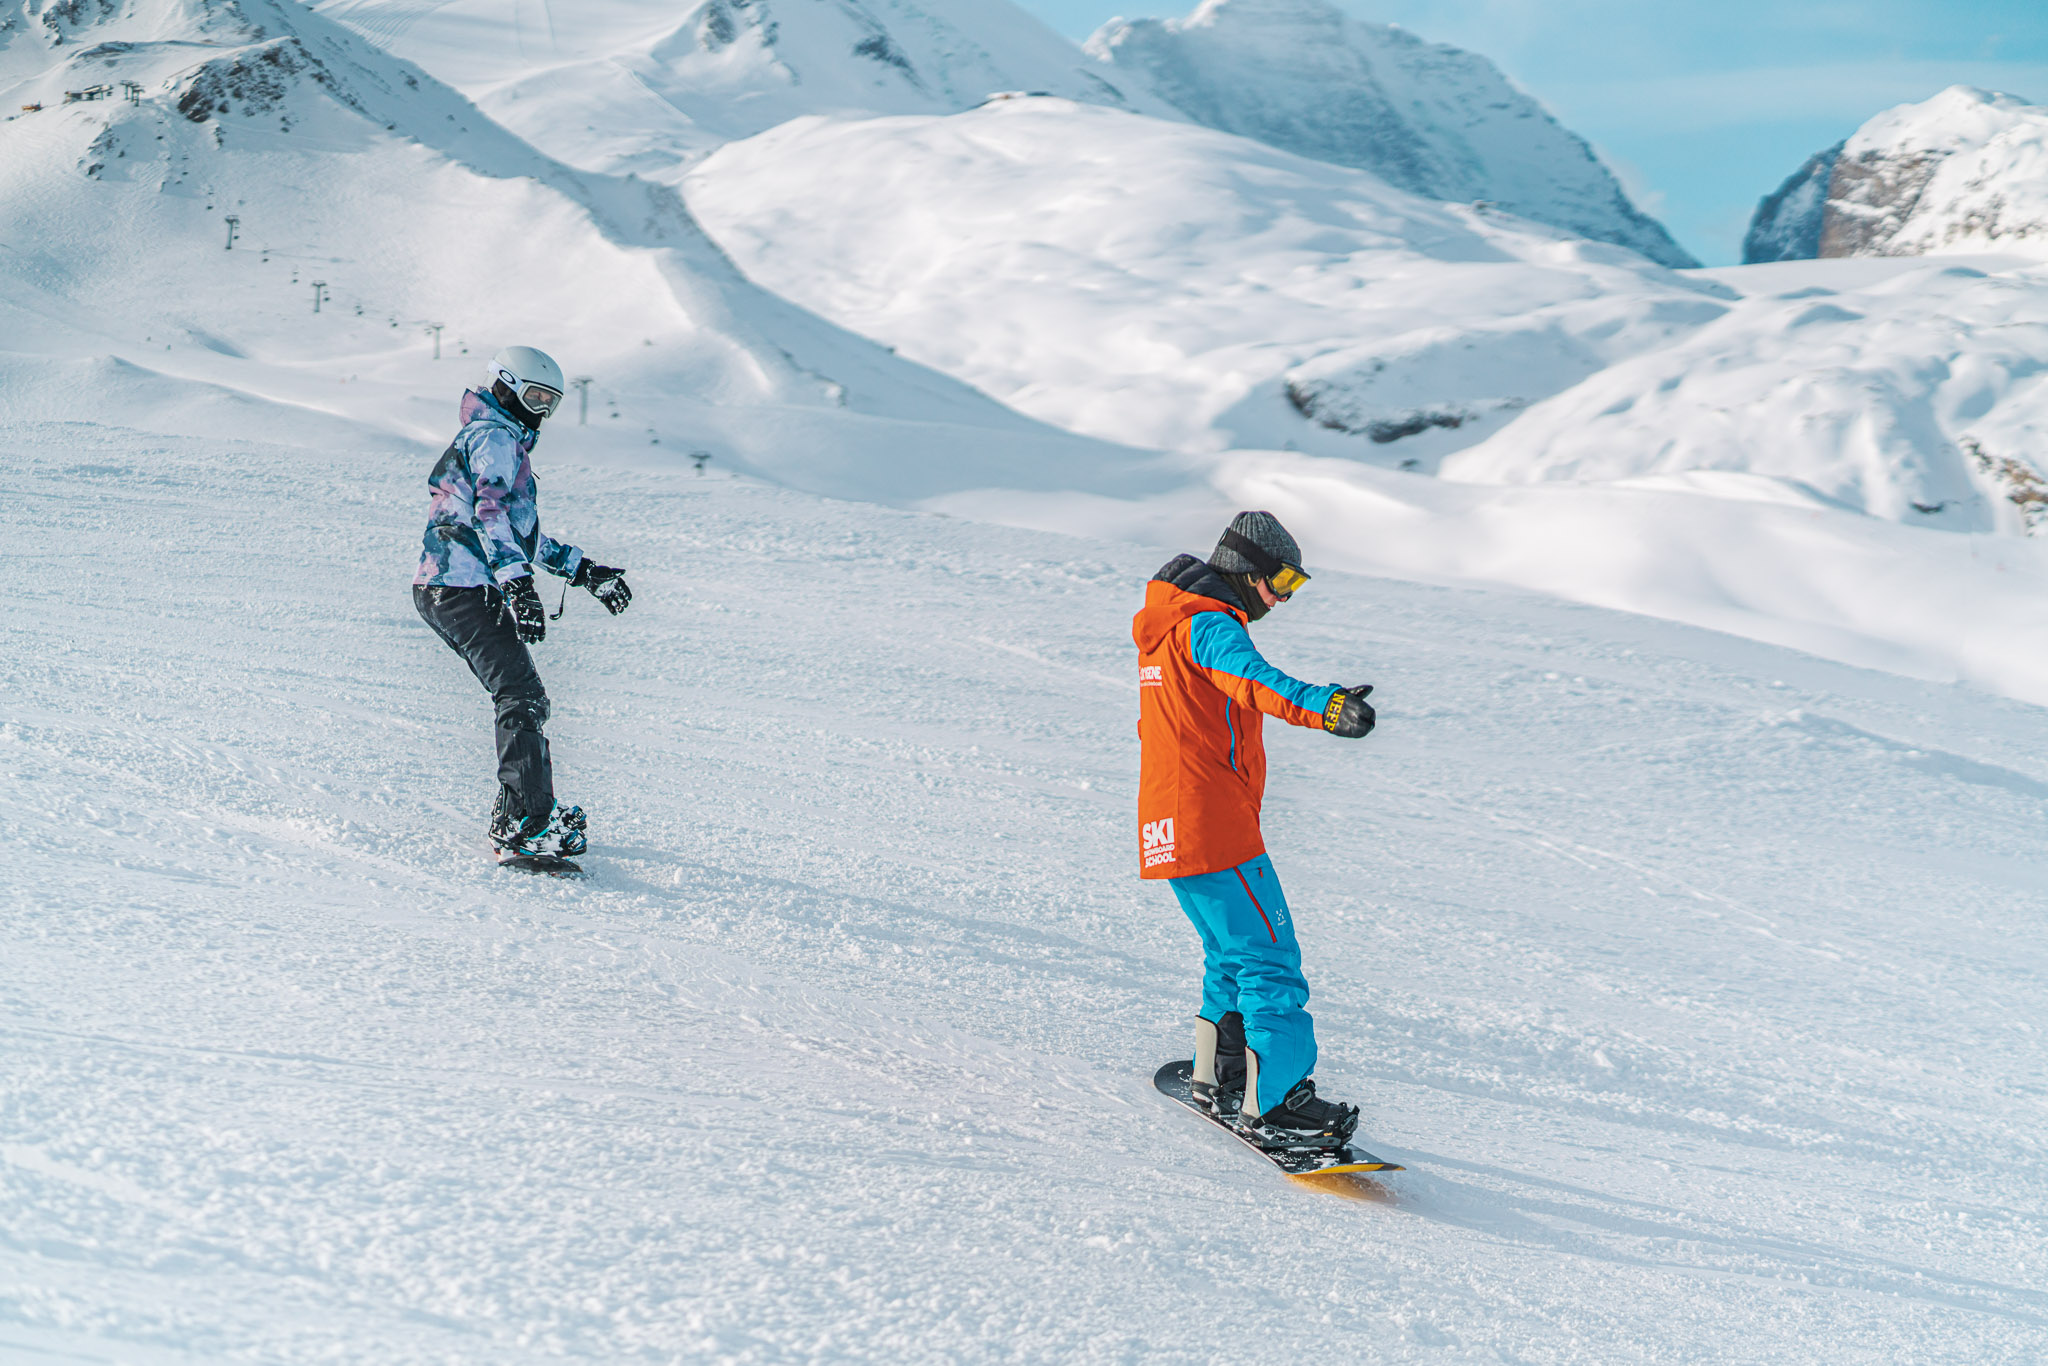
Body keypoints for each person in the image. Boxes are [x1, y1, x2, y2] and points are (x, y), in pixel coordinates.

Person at [1133, 511, 1377, 1149]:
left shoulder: (1169, 628)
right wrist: (1326, 707)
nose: (1283, 598)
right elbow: (1256, 682)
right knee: (1270, 955)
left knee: (1232, 954)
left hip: (1171, 825)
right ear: (1247, 570)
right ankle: (1278, 1102)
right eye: (1282, 580)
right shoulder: (1209, 626)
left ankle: (1226, 1073)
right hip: (1212, 824)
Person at [411, 346, 633, 864]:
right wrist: (518, 585)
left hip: (450, 585)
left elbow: (519, 532)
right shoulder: (495, 437)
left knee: (523, 695)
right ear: (505, 385)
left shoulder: (498, 438)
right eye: (533, 396)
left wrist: (584, 571)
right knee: (521, 696)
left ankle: (522, 810)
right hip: (460, 586)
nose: (538, 411)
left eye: (549, 404)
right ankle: (526, 822)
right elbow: (490, 513)